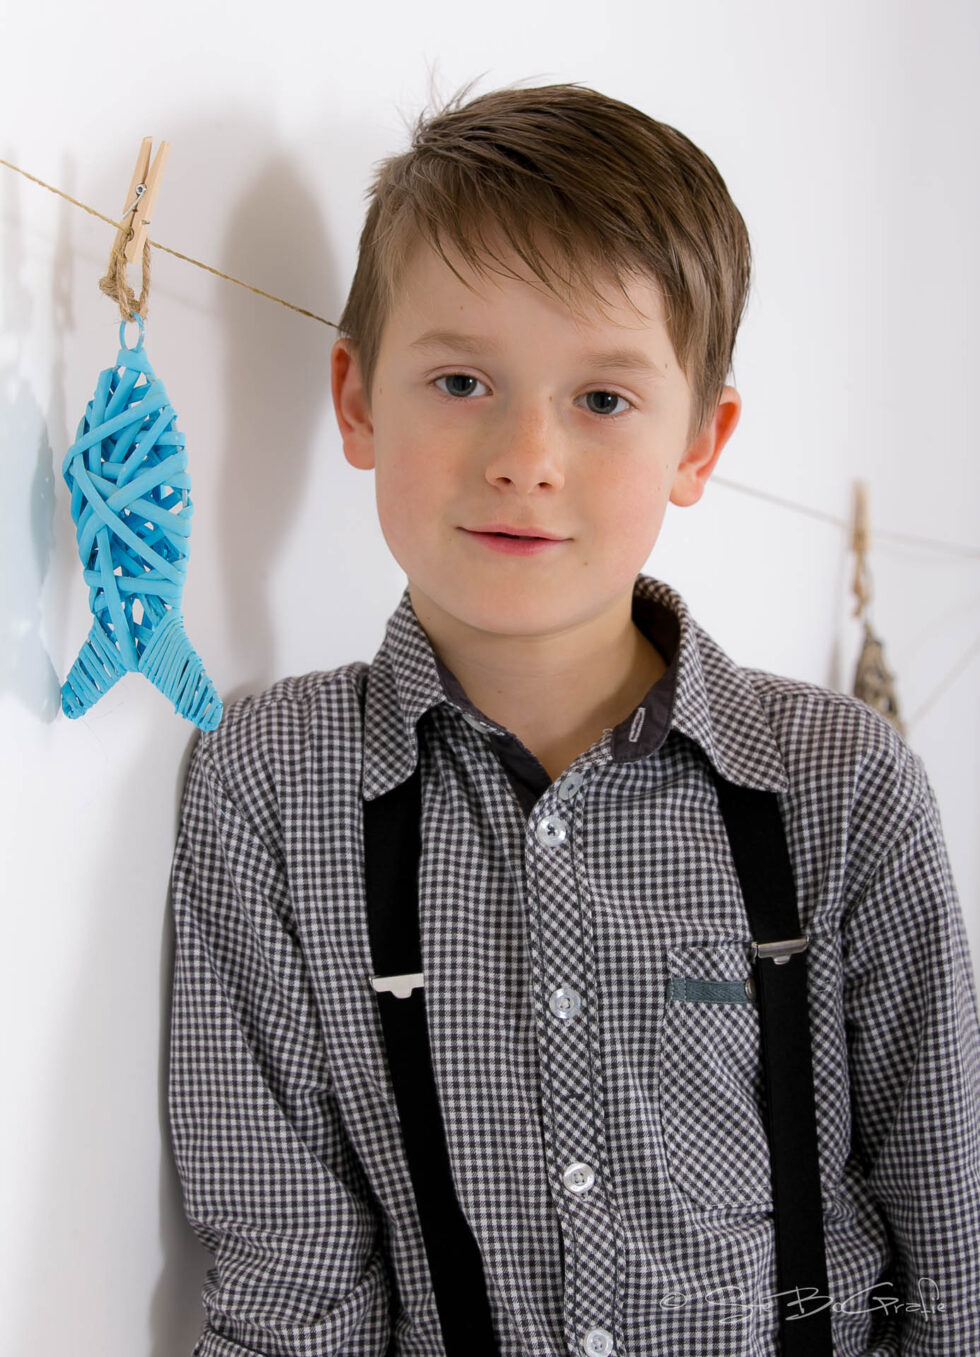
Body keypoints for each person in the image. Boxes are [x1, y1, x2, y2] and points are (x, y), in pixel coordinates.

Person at [167, 78, 980, 1357]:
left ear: (698, 444)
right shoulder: (272, 783)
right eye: (460, 380)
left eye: (601, 400)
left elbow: (951, 1238)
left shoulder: (838, 781)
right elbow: (290, 1282)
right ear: (357, 399)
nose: (525, 458)